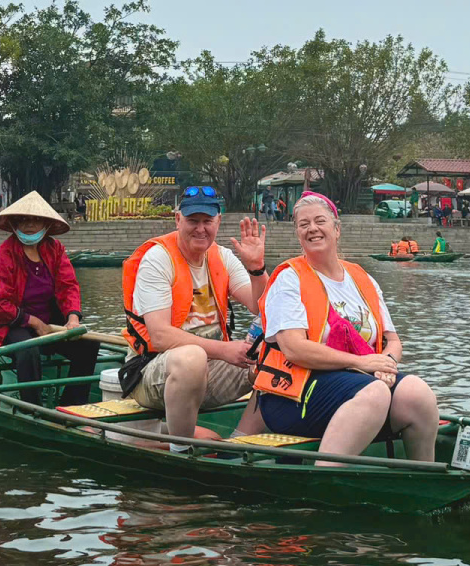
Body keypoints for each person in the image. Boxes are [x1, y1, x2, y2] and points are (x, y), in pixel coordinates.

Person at [253, 192, 439, 462]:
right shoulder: (289, 278)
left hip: (362, 380)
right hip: (292, 396)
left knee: (417, 393)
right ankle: (326, 476)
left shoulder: (363, 279)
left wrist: (385, 364)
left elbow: (393, 341)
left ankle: (424, 480)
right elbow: (294, 349)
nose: (313, 229)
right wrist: (363, 364)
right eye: (304, 225)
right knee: (373, 392)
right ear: (297, 234)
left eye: (320, 221)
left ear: (337, 229)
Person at [121, 185, 268, 442]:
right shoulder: (158, 259)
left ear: (218, 222)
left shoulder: (222, 257)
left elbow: (260, 306)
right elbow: (160, 337)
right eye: (192, 221)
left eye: (207, 221)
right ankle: (181, 449)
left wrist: (257, 268)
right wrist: (225, 350)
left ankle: (238, 443)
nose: (201, 229)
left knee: (279, 352)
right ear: (178, 220)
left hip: (211, 369)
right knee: (192, 358)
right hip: (152, 372)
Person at [0, 191, 99, 406]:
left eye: (35, 219)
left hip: (48, 321)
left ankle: (72, 404)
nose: (29, 224)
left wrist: (73, 318)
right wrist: (34, 322)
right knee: (28, 349)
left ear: (46, 225)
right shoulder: (1, 257)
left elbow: (68, 286)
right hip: (10, 323)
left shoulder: (55, 250)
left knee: (89, 345)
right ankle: (33, 407)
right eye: (23, 220)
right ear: (14, 224)